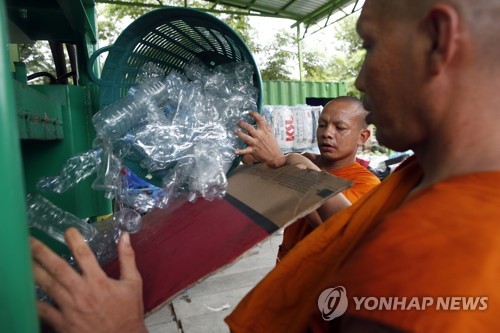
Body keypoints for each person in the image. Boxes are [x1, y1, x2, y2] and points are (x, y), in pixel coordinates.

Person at [31, 0, 500, 332]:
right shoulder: (418, 183)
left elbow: (333, 202)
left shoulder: (443, 263)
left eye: (369, 46)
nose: (359, 76)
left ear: (439, 41)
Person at [234, 97, 380, 262]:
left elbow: (330, 226)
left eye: (340, 128)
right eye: (322, 125)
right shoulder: (304, 161)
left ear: (362, 136)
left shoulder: (366, 183)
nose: (327, 133)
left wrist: (284, 164)